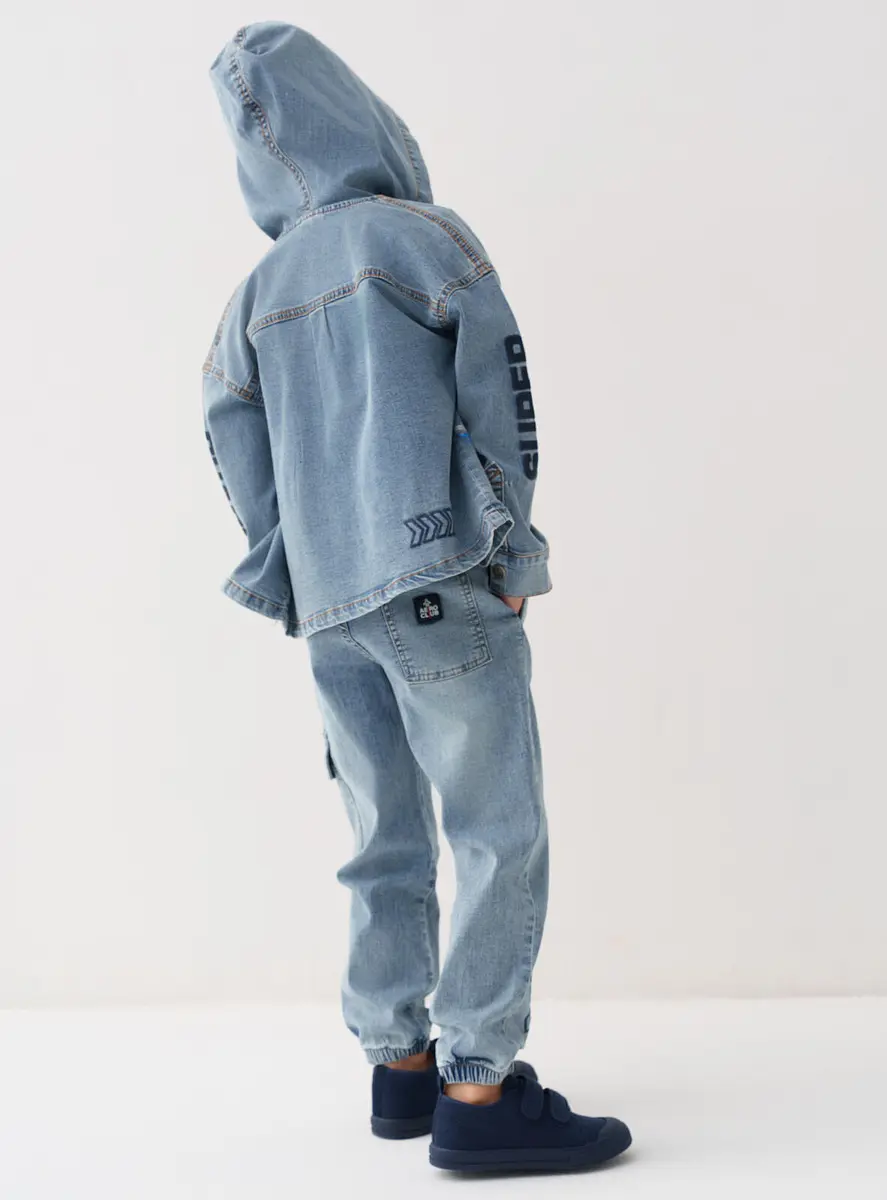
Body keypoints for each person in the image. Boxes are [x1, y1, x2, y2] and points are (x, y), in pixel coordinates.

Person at [202, 21, 631, 1173]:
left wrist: (290, 563)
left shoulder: (253, 295)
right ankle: (479, 1092)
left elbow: (231, 434)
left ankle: (398, 1067)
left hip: (330, 601)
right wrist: (512, 551)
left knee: (380, 831)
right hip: (438, 576)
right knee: (495, 828)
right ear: (358, 112)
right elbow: (499, 392)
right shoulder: (421, 238)